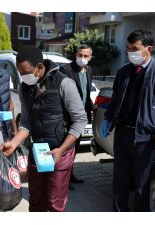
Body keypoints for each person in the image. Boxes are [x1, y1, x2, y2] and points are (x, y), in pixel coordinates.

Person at [1, 46, 87, 212]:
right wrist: (14, 143)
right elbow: (26, 122)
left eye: (25, 72)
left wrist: (61, 149)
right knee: (36, 201)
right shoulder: (24, 88)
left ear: (40, 67)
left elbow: (80, 120)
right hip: (38, 152)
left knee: (55, 204)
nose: (23, 76)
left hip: (61, 151)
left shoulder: (64, 83)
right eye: (20, 72)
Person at [100, 30, 155, 212]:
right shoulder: (124, 72)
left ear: (148, 49)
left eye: (135, 48)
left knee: (142, 185)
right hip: (122, 134)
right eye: (128, 48)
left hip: (145, 138)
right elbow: (116, 99)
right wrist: (108, 118)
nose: (130, 52)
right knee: (120, 183)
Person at [60, 44, 93, 189]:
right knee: (66, 148)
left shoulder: (89, 70)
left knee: (75, 149)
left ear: (91, 57)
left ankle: (70, 175)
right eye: (80, 55)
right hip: (68, 116)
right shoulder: (66, 70)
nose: (82, 58)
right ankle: (62, 180)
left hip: (81, 117)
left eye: (86, 56)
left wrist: (91, 107)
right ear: (75, 54)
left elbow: (85, 93)